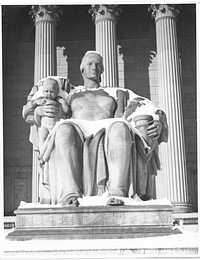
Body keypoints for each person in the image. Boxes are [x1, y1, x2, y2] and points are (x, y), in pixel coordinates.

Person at [22, 51, 168, 206]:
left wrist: (158, 121)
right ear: (82, 69)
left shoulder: (117, 92)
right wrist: (39, 109)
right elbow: (41, 90)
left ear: (103, 70)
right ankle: (70, 194)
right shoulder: (69, 92)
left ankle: (118, 194)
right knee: (63, 129)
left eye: (98, 64)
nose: (94, 67)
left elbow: (145, 106)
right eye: (90, 63)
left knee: (120, 126)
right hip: (77, 129)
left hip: (108, 129)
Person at [32, 78, 69, 152]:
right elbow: (36, 116)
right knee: (42, 140)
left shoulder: (60, 100)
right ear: (43, 91)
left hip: (55, 125)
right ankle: (42, 155)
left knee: (56, 142)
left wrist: (63, 103)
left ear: (57, 92)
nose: (49, 94)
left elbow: (67, 111)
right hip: (44, 126)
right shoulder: (41, 101)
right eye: (46, 91)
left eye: (52, 91)